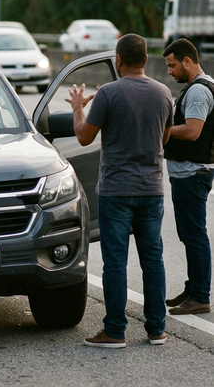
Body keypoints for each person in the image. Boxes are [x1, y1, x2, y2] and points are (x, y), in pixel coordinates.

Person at [66, 34, 173, 348]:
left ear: (118, 60)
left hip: (116, 190)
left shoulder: (109, 93)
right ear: (145, 60)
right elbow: (164, 139)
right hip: (152, 189)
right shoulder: (164, 92)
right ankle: (157, 329)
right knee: (153, 260)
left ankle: (115, 331)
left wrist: (77, 108)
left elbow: (84, 138)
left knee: (115, 262)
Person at [163, 39, 214, 315]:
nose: (170, 71)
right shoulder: (195, 88)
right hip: (187, 173)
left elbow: (193, 131)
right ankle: (193, 288)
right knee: (188, 234)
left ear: (187, 61)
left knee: (194, 235)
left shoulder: (198, 92)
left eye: (172, 65)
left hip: (193, 174)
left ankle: (200, 296)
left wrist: (163, 130)